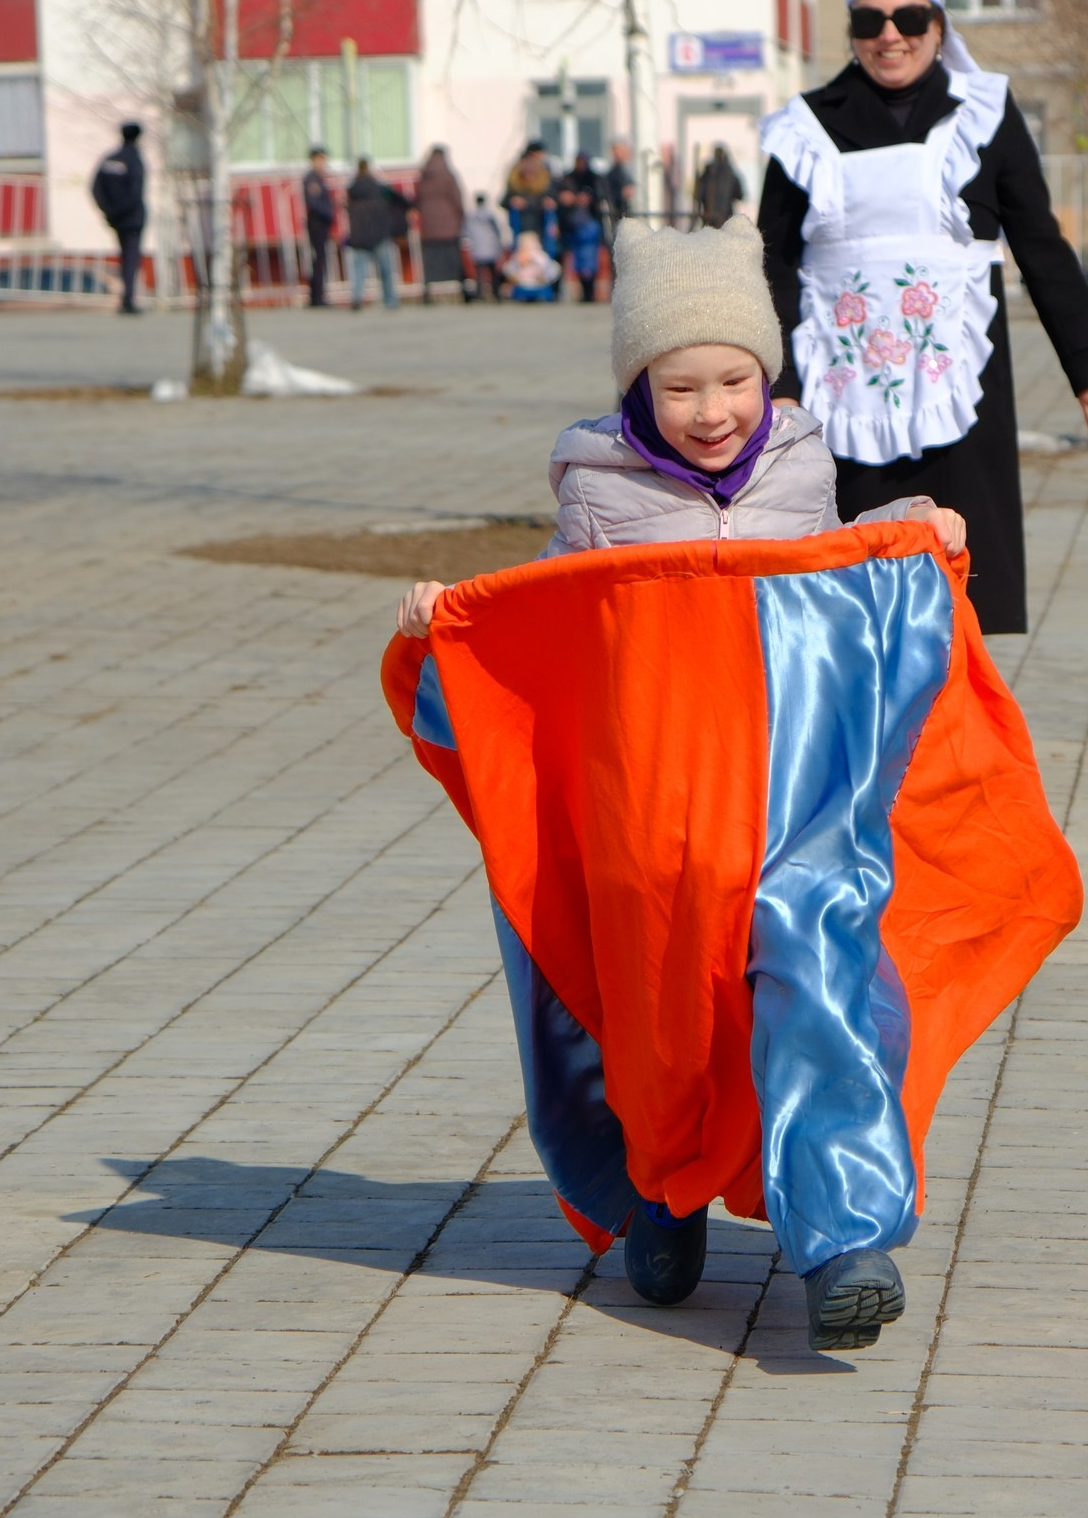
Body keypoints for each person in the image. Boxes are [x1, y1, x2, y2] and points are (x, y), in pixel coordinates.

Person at [393, 218, 972, 1349]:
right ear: (636, 388)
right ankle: (661, 1189)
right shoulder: (598, 492)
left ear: (769, 375)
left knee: (819, 967)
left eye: (735, 380)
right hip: (654, 803)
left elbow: (838, 564)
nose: (713, 411)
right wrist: (450, 615)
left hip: (787, 792)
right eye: (680, 387)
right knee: (660, 1003)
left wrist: (911, 528)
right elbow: (547, 611)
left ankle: (844, 1236)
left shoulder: (803, 464)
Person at [758, 0, 1088, 636]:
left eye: (909, 17)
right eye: (870, 20)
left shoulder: (983, 114)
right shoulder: (805, 127)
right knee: (854, 585)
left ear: (937, 25)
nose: (889, 35)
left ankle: (959, 699)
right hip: (839, 389)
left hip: (960, 384)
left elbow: (1039, 243)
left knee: (962, 587)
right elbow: (773, 265)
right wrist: (778, 386)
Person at [91, 122, 147, 314]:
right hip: (132, 218)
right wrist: (120, 211)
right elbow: (135, 192)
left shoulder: (110, 159)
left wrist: (108, 210)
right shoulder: (134, 159)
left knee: (124, 256)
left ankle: (126, 296)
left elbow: (96, 188)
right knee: (131, 257)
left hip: (116, 218)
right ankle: (128, 298)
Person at [345, 158, 408, 310]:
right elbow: (403, 200)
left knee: (359, 271)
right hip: (380, 233)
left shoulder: (353, 191)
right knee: (386, 271)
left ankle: (357, 297)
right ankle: (390, 300)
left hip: (359, 235)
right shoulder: (381, 188)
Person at [415, 145, 467, 304]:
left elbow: (418, 201)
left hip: (429, 228)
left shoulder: (424, 177)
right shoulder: (448, 175)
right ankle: (463, 290)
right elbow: (457, 199)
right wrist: (462, 217)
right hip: (449, 226)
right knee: (454, 259)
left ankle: (428, 292)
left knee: (430, 262)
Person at [557, 152, 605, 304]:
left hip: (589, 225)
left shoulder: (594, 179)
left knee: (588, 259)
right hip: (572, 226)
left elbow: (602, 197)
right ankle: (581, 292)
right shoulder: (568, 179)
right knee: (576, 260)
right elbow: (560, 198)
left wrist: (591, 200)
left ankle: (589, 292)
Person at [301, 146, 338, 307]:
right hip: (317, 222)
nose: (323, 163)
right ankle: (317, 296)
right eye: (320, 160)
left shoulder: (319, 178)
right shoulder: (312, 179)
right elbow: (314, 203)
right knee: (319, 258)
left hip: (321, 222)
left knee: (320, 258)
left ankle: (318, 294)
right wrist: (329, 213)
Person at [505, 141, 555, 244]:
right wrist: (513, 201)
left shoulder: (545, 171)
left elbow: (551, 194)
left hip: (541, 222)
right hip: (522, 223)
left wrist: (550, 202)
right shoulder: (517, 172)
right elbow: (506, 198)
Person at [463, 191, 506, 301]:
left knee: (479, 273)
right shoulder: (490, 214)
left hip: (477, 247)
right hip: (491, 247)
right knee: (493, 272)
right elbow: (497, 230)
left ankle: (479, 294)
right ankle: (496, 293)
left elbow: (466, 231)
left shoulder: (471, 215)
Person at [694, 144, 746, 228]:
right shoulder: (729, 172)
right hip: (720, 217)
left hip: (714, 217)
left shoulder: (709, 172)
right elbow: (740, 195)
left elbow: (698, 195)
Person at [504, 228, 560, 302]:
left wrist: (543, 277)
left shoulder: (541, 257)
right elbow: (509, 268)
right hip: (522, 283)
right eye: (524, 244)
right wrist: (515, 277)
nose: (527, 246)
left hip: (538, 283)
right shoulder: (517, 257)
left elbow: (551, 268)